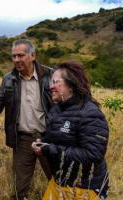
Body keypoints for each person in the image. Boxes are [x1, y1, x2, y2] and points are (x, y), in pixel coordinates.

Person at [0, 39, 53, 200]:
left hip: (49, 138)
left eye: (21, 55)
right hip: (23, 140)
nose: (16, 60)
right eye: (14, 56)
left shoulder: (50, 75)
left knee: (58, 181)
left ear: (32, 55)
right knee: (19, 188)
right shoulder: (9, 79)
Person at [31, 61, 109, 200]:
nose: (51, 87)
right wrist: (42, 144)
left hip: (83, 188)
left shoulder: (90, 113)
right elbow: (60, 138)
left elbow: (93, 155)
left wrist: (50, 149)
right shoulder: (57, 108)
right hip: (58, 182)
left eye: (55, 82)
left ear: (71, 85)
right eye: (50, 82)